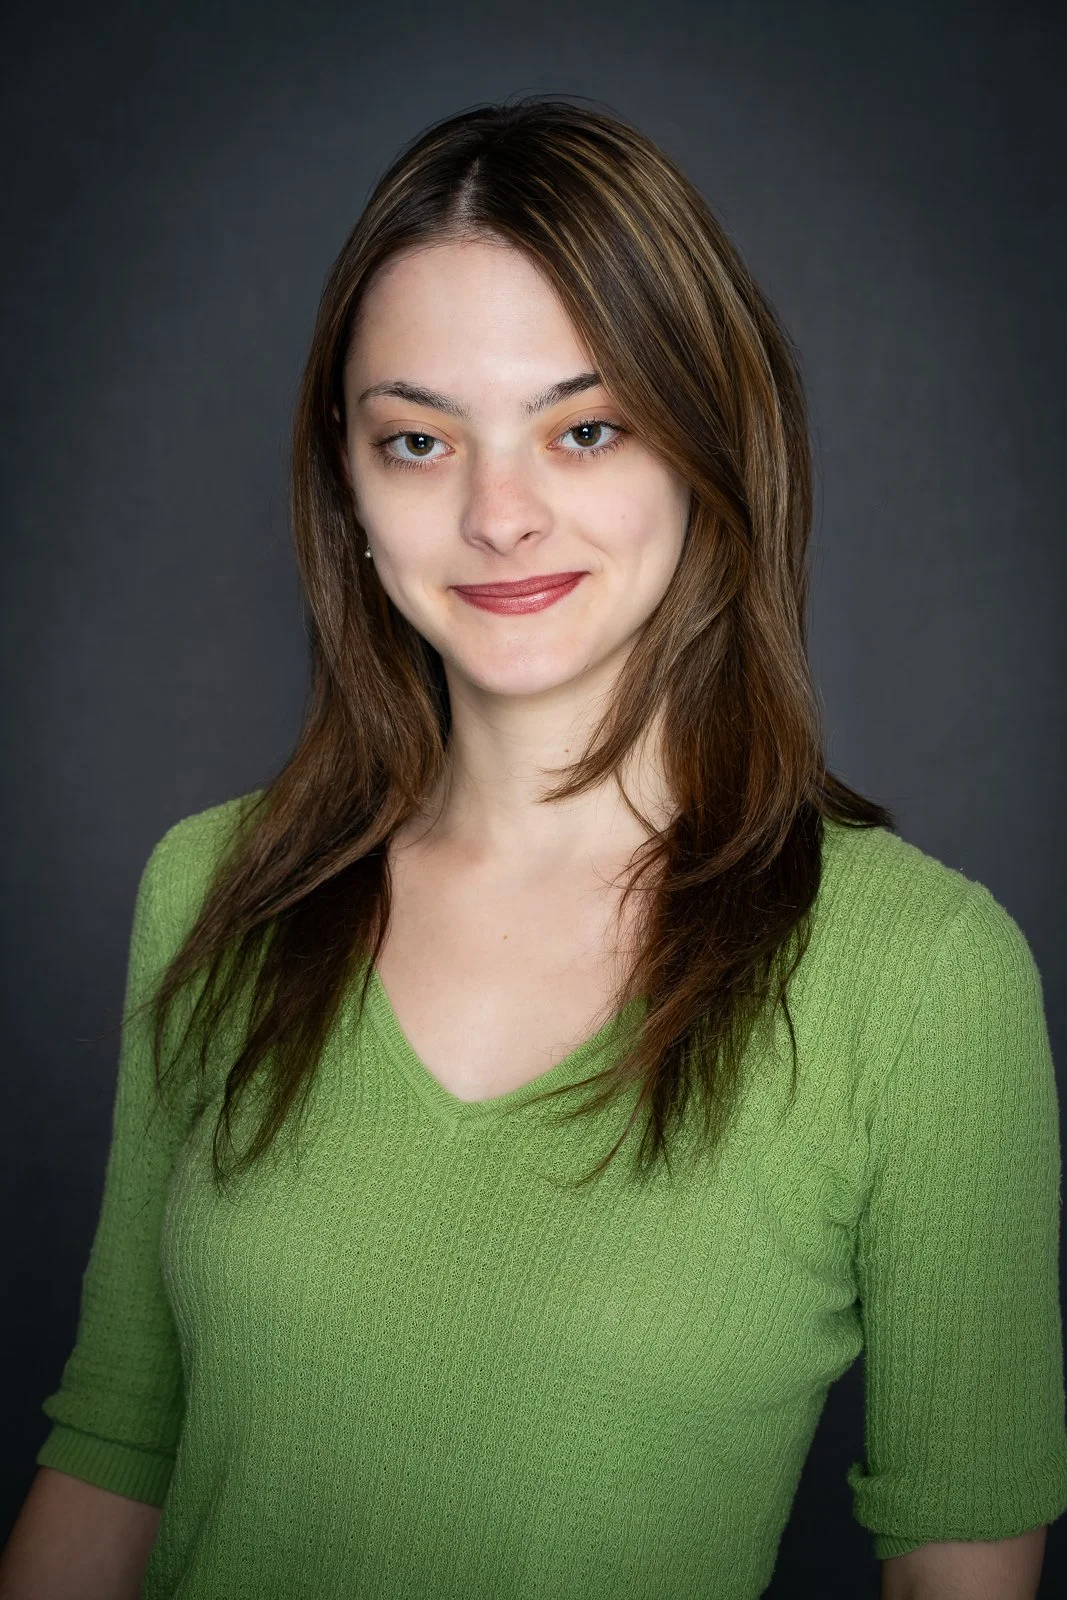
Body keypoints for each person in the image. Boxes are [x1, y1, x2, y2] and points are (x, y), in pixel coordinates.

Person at [2, 95, 1064, 1600]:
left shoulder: (920, 976)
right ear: (349, 488)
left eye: (584, 427)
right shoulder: (215, 890)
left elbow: (962, 1566)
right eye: (419, 440)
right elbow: (114, 1446)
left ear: (704, 447)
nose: (499, 515)